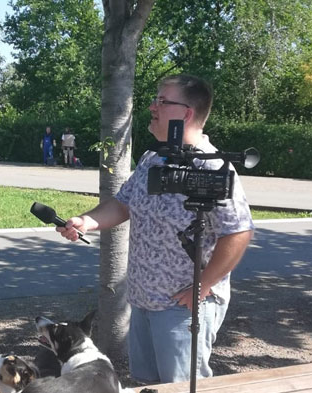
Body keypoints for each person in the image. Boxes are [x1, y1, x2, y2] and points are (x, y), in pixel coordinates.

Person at [57, 74, 254, 384]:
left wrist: (203, 285)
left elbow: (239, 232)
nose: (152, 106)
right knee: (147, 385)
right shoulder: (153, 159)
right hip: (143, 302)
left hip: (182, 309)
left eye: (162, 101)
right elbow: (123, 204)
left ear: (187, 113)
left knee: (181, 387)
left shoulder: (212, 167)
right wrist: (88, 221)